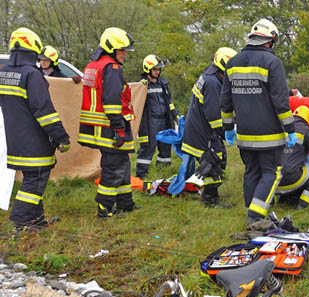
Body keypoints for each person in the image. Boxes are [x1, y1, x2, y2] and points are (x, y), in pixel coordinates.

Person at [221, 19, 295, 224]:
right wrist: (290, 129)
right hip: (270, 134)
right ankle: (255, 216)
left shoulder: (232, 62)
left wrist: (228, 129)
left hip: (244, 134)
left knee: (251, 171)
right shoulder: (272, 62)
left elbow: (225, 101)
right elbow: (280, 102)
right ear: (270, 41)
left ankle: (250, 212)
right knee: (272, 172)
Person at [1, 27, 70, 231]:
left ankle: (36, 221)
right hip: (34, 141)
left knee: (34, 177)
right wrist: (61, 137)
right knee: (35, 181)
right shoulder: (32, 74)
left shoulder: (4, 73)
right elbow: (44, 111)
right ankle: (20, 223)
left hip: (14, 140)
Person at [78, 27, 139, 218]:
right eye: (121, 50)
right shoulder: (111, 68)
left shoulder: (92, 65)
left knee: (122, 164)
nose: (124, 54)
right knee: (113, 168)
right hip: (110, 128)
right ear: (111, 48)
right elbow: (113, 101)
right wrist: (119, 129)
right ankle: (104, 209)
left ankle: (126, 204)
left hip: (96, 127)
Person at [182, 47, 237, 208]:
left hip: (199, 128)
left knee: (217, 159)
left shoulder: (210, 76)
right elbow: (214, 115)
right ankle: (210, 200)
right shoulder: (213, 83)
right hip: (203, 132)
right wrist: (225, 131)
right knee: (211, 161)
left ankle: (210, 194)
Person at [276, 105, 309, 209]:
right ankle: (303, 205)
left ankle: (276, 200)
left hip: (272, 181)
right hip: (291, 180)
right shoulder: (306, 130)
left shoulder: (279, 128)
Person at [135, 54, 179, 178]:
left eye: (158, 69)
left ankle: (162, 171)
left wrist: (175, 115)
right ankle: (141, 174)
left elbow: (169, 102)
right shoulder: (142, 84)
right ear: (147, 69)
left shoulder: (163, 84)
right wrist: (140, 87)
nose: (157, 72)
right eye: (154, 69)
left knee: (165, 145)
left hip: (164, 120)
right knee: (148, 147)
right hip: (150, 122)